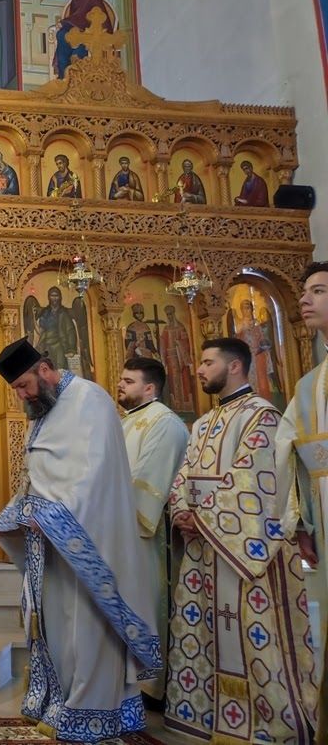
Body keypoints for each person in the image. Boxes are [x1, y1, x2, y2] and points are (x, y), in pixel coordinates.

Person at [0, 338, 159, 742]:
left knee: (85, 623)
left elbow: (94, 474)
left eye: (24, 385)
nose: (22, 395)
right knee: (56, 623)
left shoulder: (89, 400)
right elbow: (41, 472)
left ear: (45, 370)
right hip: (50, 537)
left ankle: (91, 709)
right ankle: (60, 700)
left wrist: (50, 515)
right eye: (16, 389)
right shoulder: (45, 407)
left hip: (88, 535)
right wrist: (15, 513)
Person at [164, 338, 316, 743]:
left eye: (206, 362)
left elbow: (255, 481)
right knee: (203, 631)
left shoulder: (262, 416)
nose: (198, 369)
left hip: (241, 550)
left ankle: (267, 722)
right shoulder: (202, 423)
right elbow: (184, 473)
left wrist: (202, 517)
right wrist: (181, 509)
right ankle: (206, 715)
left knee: (251, 633)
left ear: (234, 366)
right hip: (202, 548)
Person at [275, 262, 328, 743]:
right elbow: (288, 454)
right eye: (305, 291)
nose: (305, 300)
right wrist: (303, 523)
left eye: (319, 291)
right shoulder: (309, 384)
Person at [115, 357, 188, 706]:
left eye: (128, 381)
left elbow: (148, 479)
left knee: (147, 601)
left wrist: (112, 512)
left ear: (150, 388)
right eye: (121, 379)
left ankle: (151, 687)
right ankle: (128, 680)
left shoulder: (165, 422)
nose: (120, 385)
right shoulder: (127, 422)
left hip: (146, 533)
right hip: (120, 530)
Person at [52, 0, 113, 79]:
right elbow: (74, 19)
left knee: (78, 45)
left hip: (91, 31)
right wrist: (64, 24)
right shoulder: (74, 0)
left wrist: (64, 22)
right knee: (61, 34)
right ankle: (63, 75)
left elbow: (81, 17)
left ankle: (76, 76)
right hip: (77, 30)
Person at [234, 298, 278, 401]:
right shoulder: (239, 326)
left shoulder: (257, 325)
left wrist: (262, 349)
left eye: (248, 308)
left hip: (258, 358)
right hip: (246, 359)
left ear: (252, 309)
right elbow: (236, 342)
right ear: (241, 310)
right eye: (244, 308)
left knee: (261, 383)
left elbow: (263, 341)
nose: (246, 310)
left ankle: (262, 403)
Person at [160, 304, 195, 412]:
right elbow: (163, 345)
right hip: (171, 360)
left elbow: (186, 343)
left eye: (171, 314)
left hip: (181, 359)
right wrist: (163, 359)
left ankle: (187, 407)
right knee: (172, 382)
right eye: (167, 315)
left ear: (174, 314)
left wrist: (179, 343)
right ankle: (176, 407)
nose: (169, 316)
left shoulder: (181, 327)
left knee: (184, 381)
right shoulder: (166, 329)